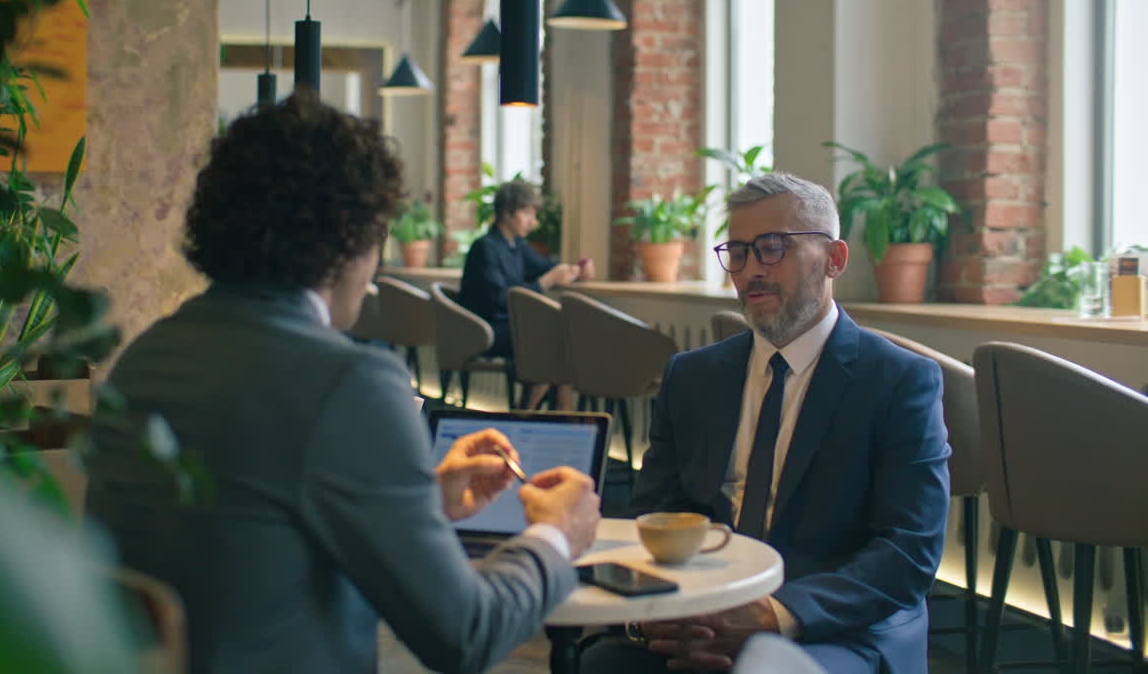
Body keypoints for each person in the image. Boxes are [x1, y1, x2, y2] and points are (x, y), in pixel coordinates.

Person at [84, 95, 602, 674]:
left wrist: (418, 501)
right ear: (351, 239)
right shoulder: (349, 385)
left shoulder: (143, 360)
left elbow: (247, 531)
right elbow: (467, 634)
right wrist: (556, 537)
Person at [581, 172, 950, 673]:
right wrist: (660, 615)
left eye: (774, 248)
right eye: (738, 252)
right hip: (702, 611)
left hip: (835, 629)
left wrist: (772, 616)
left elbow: (908, 551)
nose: (751, 269)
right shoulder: (693, 376)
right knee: (603, 663)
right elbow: (656, 512)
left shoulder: (898, 380)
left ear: (835, 259)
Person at [458, 180, 595, 359]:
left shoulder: (517, 246)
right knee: (548, 333)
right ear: (507, 213)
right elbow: (501, 299)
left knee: (562, 330)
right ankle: (537, 379)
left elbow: (548, 267)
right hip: (484, 329)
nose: (534, 222)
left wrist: (577, 269)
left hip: (509, 325)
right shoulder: (484, 247)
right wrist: (546, 282)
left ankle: (540, 379)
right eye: (527, 213)